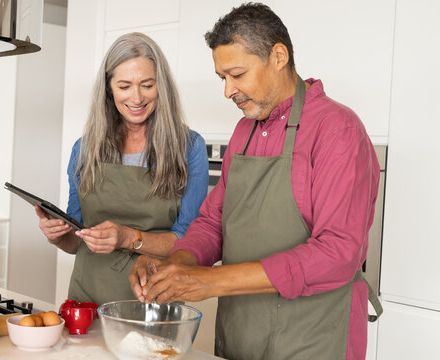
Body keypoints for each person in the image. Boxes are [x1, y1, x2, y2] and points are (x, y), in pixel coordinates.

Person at [130, 3, 382, 360]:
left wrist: (211, 281)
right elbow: (214, 221)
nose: (228, 90)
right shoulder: (245, 130)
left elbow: (338, 252)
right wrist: (179, 265)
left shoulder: (338, 129)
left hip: (312, 335)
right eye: (222, 78)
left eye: (237, 74)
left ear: (278, 56)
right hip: (242, 329)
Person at [36, 32, 209, 305]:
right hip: (87, 301)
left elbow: (189, 243)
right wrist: (58, 236)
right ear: (109, 88)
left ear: (161, 86)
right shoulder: (84, 150)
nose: (137, 98)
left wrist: (127, 237)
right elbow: (76, 243)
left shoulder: (188, 147)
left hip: (153, 300)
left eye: (147, 85)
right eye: (125, 86)